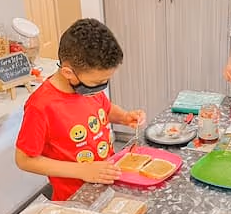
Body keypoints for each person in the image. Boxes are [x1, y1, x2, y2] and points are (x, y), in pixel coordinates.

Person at [15, 18, 146, 201]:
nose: (101, 87)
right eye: (97, 82)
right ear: (68, 73)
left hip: (108, 184)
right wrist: (82, 170)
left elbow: (105, 109)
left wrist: (124, 116)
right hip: (74, 198)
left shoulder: (87, 88)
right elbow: (24, 159)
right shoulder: (41, 106)